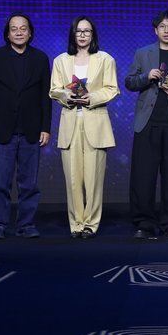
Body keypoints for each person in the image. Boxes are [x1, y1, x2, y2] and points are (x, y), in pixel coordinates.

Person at [124, 10, 168, 239]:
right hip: (147, 123)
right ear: (155, 30)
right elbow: (129, 82)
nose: (167, 31)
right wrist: (146, 77)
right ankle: (143, 224)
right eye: (162, 27)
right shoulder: (142, 53)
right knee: (143, 176)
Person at [0, 14, 51, 239]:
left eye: (23, 28)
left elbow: (45, 96)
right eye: (14, 29)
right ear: (8, 33)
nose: (19, 32)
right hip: (2, 130)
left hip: (31, 130)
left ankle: (26, 225)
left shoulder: (40, 58)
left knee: (29, 184)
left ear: (30, 33)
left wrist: (45, 127)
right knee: (0, 183)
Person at [49, 17, 118, 238]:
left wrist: (92, 97)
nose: (82, 35)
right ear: (73, 34)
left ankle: (91, 224)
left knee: (93, 178)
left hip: (95, 121)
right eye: (78, 31)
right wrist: (66, 95)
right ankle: (76, 224)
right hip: (70, 121)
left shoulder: (105, 59)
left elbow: (112, 89)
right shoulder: (61, 60)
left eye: (87, 31)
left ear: (93, 35)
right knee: (73, 178)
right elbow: (54, 89)